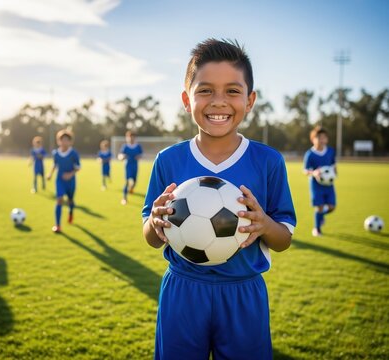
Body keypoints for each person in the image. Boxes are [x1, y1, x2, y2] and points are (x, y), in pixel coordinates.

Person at [142, 38, 296, 360]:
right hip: (183, 290)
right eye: (205, 90)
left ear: (250, 100)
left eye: (232, 91)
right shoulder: (168, 160)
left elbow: (282, 240)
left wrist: (264, 224)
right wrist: (155, 223)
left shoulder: (267, 161)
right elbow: (151, 237)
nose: (218, 101)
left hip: (244, 292)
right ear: (187, 100)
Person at [303, 126, 336, 237]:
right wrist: (314, 173)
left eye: (324, 138)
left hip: (329, 184)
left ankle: (321, 216)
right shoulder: (310, 154)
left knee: (332, 207)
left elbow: (333, 164)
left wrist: (334, 172)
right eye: (319, 137)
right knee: (320, 207)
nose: (322, 140)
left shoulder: (331, 151)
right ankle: (317, 229)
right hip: (316, 185)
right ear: (313, 139)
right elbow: (305, 170)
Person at [47, 129, 81, 233]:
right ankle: (58, 225)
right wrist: (50, 174)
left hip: (71, 181)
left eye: (67, 140)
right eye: (62, 140)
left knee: (70, 200)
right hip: (60, 180)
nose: (64, 142)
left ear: (70, 142)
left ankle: (70, 212)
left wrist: (70, 174)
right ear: (58, 141)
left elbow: (78, 167)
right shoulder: (56, 153)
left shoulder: (73, 153)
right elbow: (55, 164)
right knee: (59, 200)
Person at [118, 130, 143, 204]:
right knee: (127, 181)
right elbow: (120, 155)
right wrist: (122, 157)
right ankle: (124, 198)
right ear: (127, 138)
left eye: (133, 137)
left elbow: (141, 155)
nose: (131, 139)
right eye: (129, 137)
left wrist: (139, 157)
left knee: (135, 181)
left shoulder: (138, 146)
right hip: (128, 165)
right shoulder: (125, 146)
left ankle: (131, 188)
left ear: (135, 138)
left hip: (135, 165)